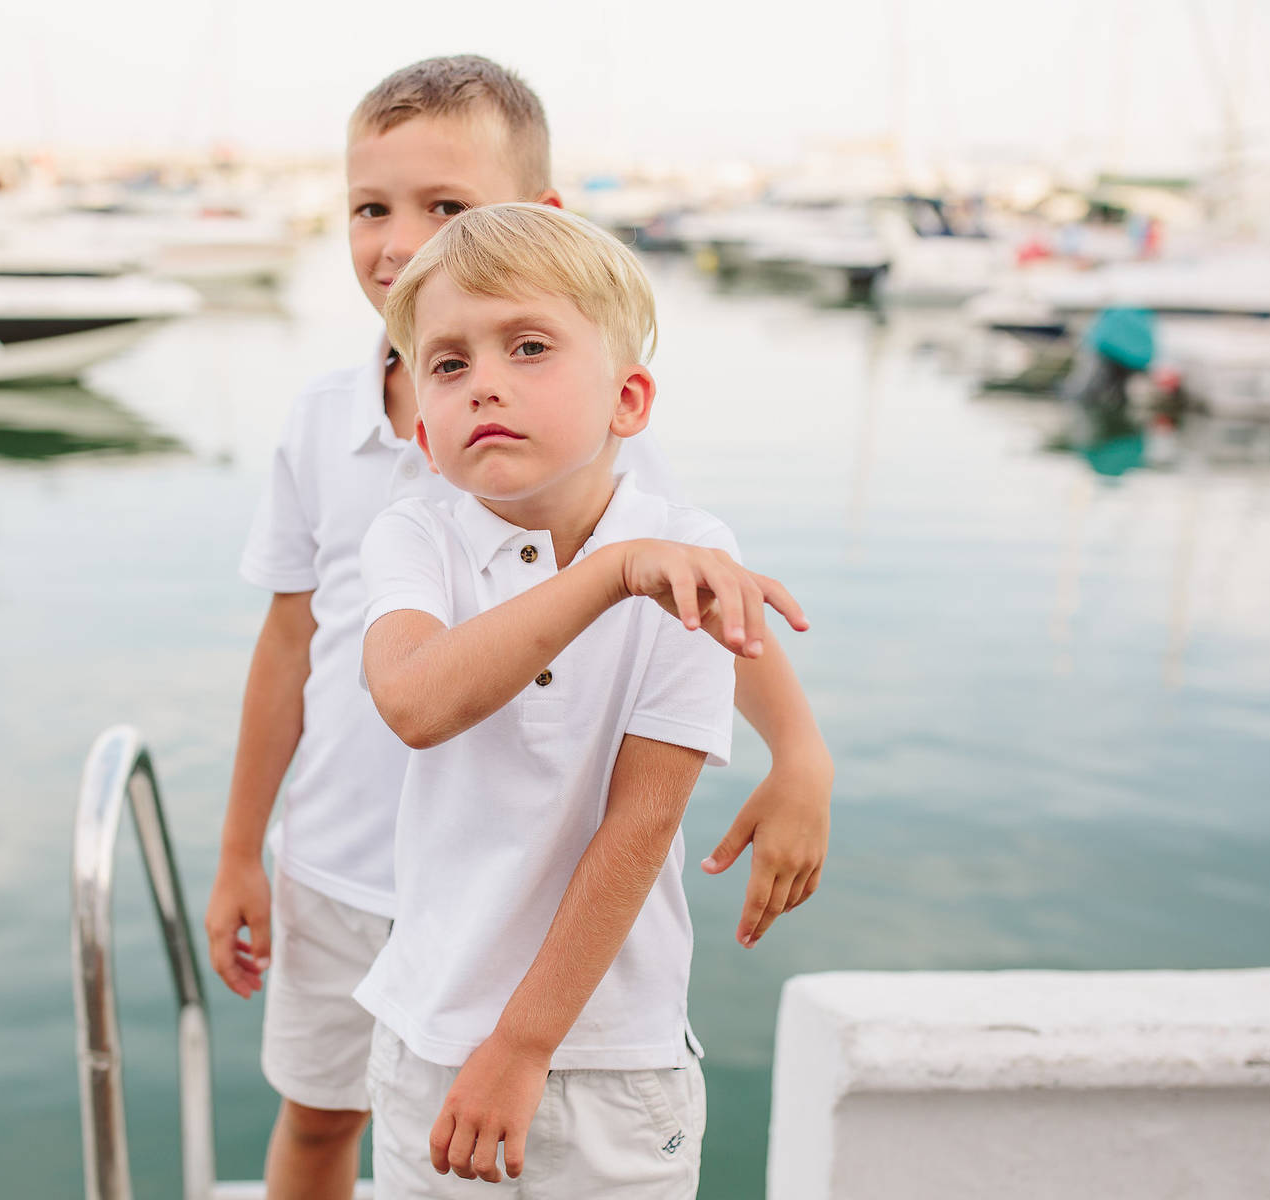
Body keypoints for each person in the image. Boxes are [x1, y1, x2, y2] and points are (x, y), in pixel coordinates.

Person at [205, 55, 832, 1199]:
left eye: (446, 208)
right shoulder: (349, 455)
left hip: (539, 923)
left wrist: (803, 752)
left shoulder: (616, 466)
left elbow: (701, 594)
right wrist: (243, 849)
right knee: (317, 1120)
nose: (402, 241)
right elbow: (297, 649)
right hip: (347, 860)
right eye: (371, 209)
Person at [359, 201, 801, 1195]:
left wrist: (523, 1046)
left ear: (628, 400)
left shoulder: (696, 558)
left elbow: (640, 827)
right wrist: (609, 575)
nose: (486, 386)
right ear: (425, 434)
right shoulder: (411, 538)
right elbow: (416, 702)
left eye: (528, 347)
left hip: (611, 1061)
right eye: (449, 364)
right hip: (430, 1036)